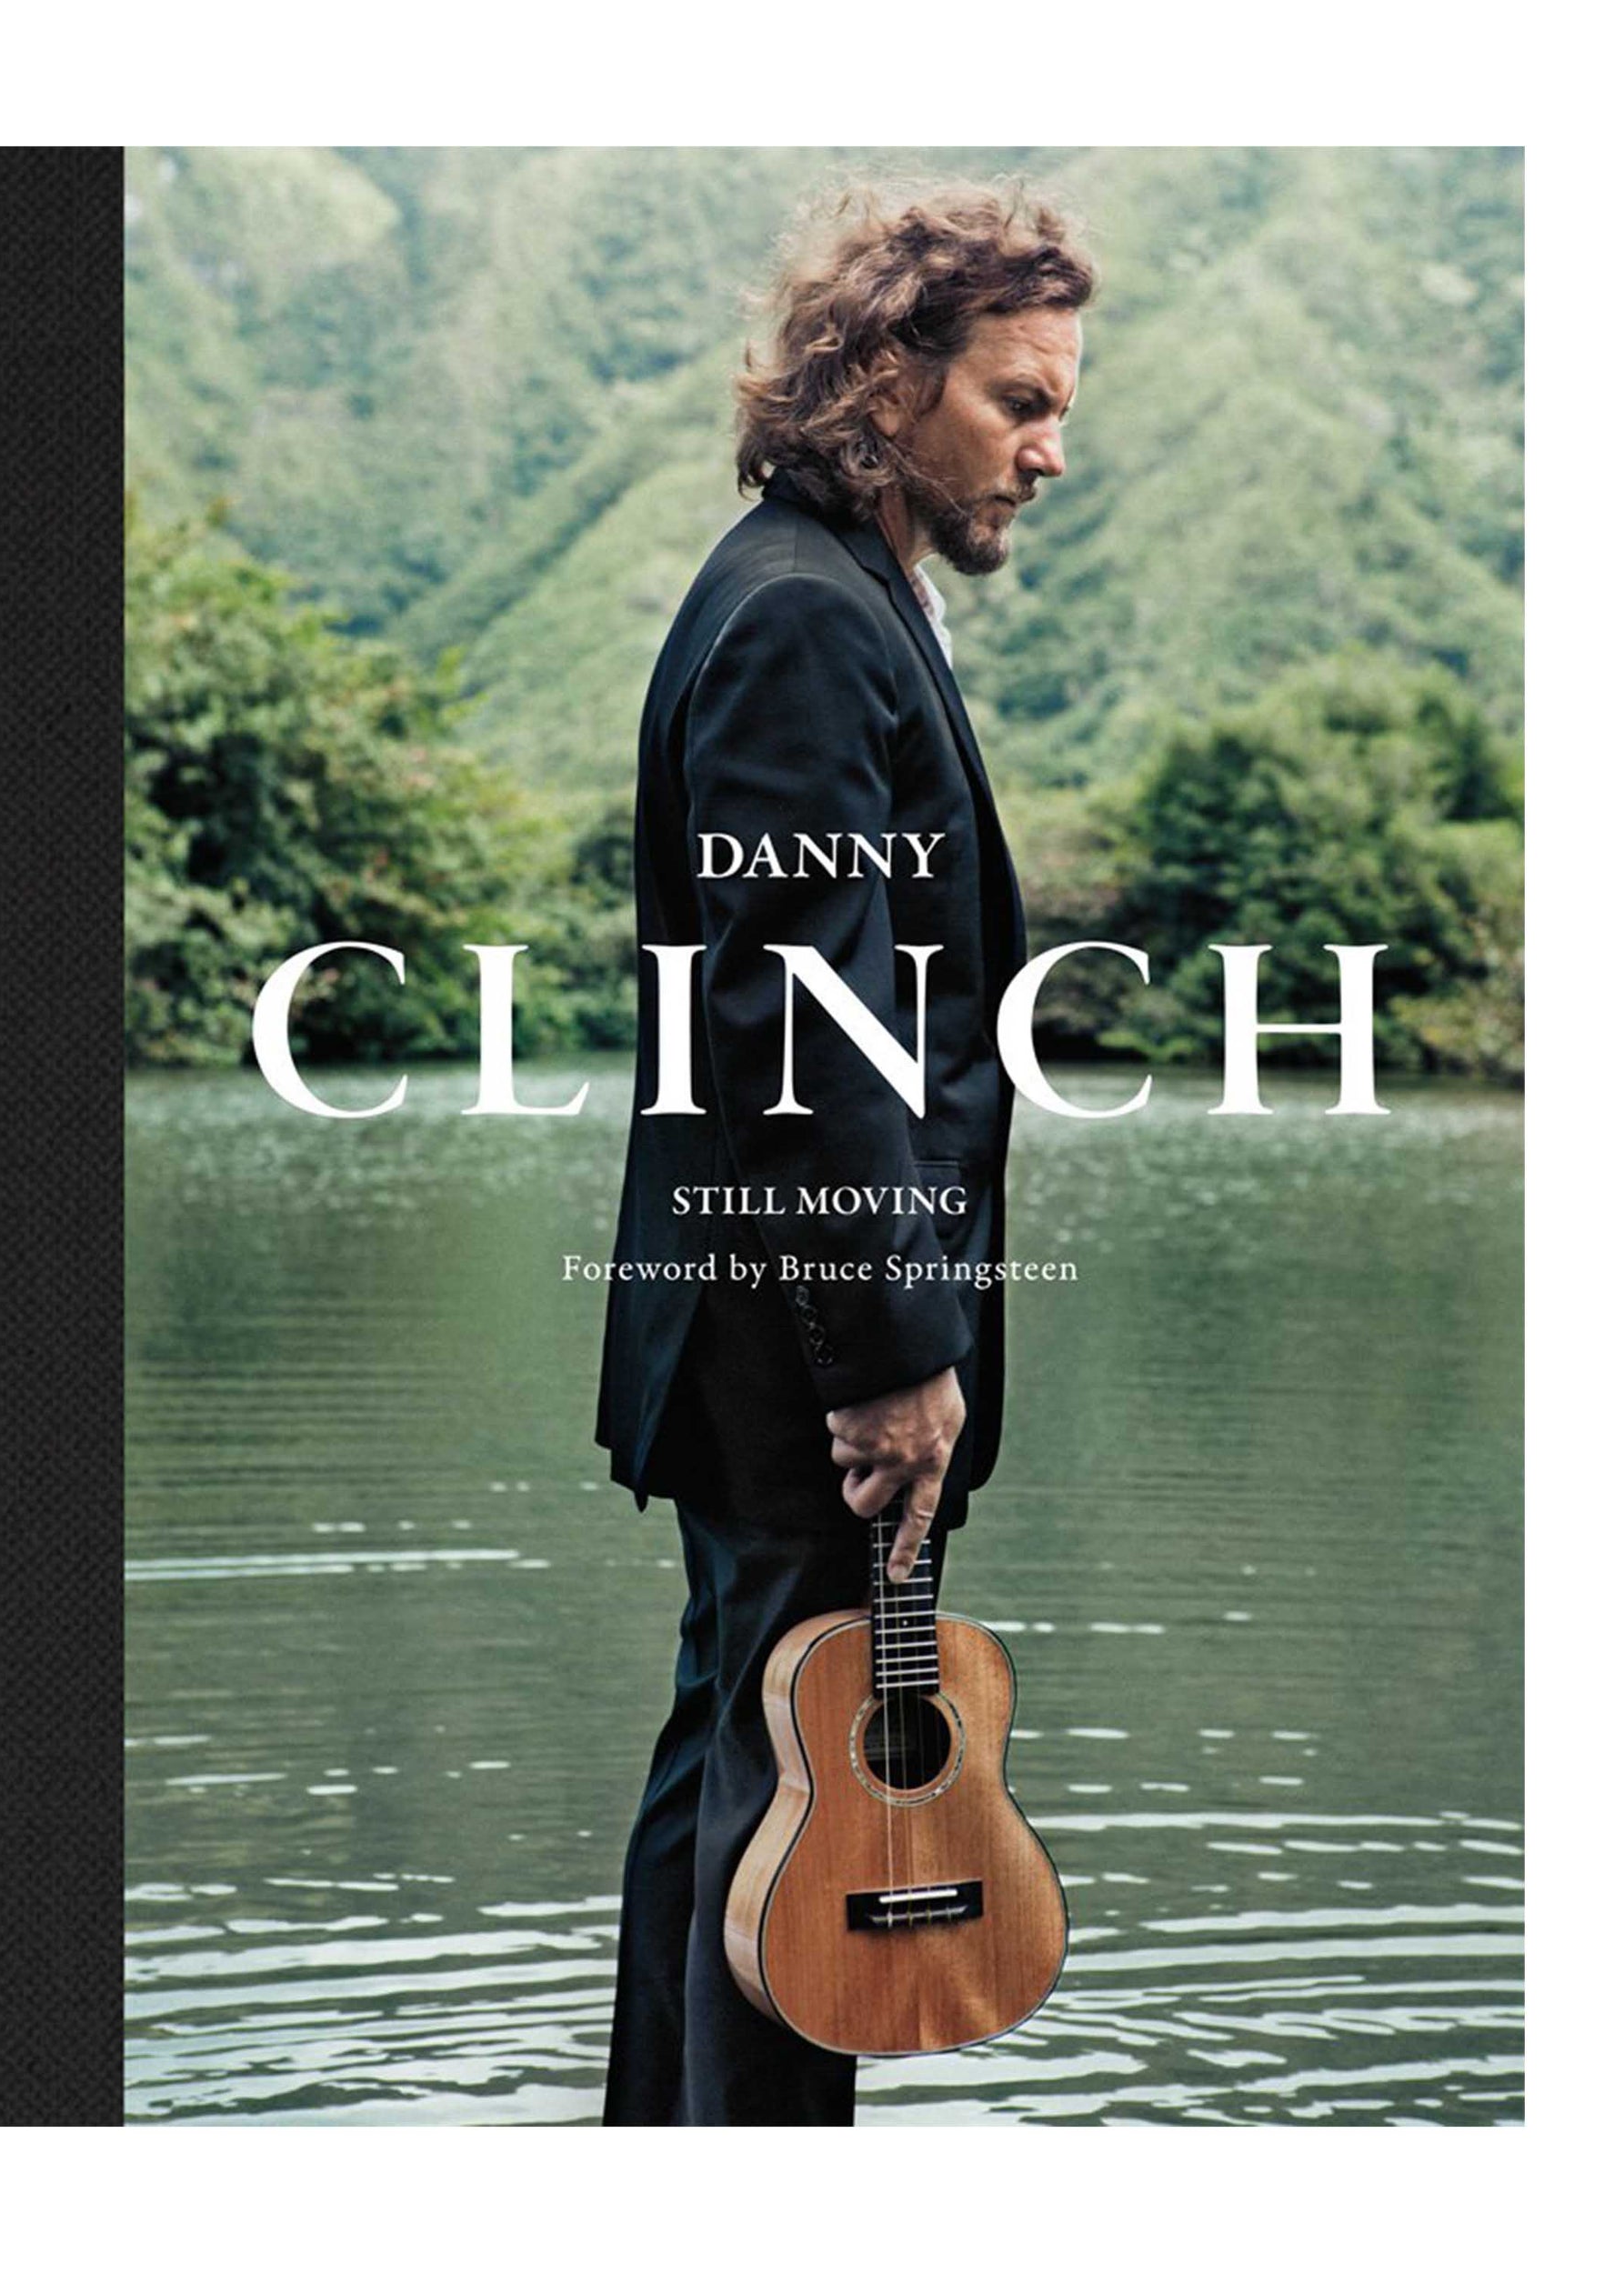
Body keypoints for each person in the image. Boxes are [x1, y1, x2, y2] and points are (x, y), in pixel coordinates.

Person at [595, 185, 1092, 2126]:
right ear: (887, 380)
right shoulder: (803, 618)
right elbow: (796, 1031)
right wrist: (891, 1355)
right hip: (804, 1342)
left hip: (762, 1323)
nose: (1051, 447)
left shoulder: (826, 589)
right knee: (800, 1830)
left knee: (741, 1771)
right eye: (1017, 398)